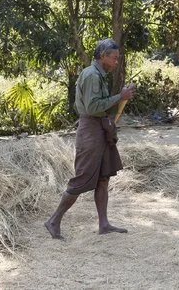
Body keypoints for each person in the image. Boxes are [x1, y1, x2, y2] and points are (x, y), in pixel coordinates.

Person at [45, 38, 135, 239]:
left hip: (99, 129)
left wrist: (120, 98)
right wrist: (120, 97)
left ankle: (104, 224)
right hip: (91, 131)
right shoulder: (92, 75)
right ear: (102, 56)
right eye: (114, 58)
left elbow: (99, 105)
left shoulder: (99, 75)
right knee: (81, 179)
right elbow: (93, 107)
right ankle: (53, 221)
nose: (116, 62)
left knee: (103, 177)